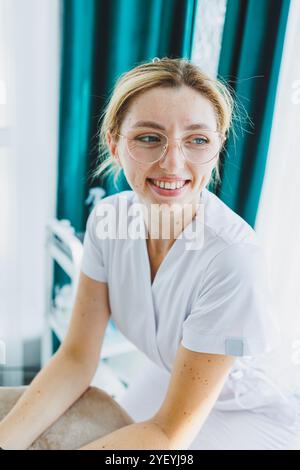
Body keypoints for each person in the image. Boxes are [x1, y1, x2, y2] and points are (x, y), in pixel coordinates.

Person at [0, 57, 299, 450]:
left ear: (217, 146)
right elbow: (75, 357)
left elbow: (168, 434)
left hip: (250, 411)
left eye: (197, 140)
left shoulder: (232, 259)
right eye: (148, 137)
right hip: (170, 371)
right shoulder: (108, 221)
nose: (173, 163)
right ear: (115, 143)